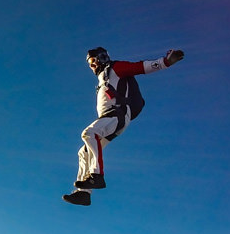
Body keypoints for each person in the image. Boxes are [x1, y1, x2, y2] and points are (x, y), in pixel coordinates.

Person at [63, 47, 185, 206]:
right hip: (111, 117)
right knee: (83, 152)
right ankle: (83, 194)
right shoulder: (103, 78)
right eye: (89, 64)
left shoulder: (114, 68)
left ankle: (96, 175)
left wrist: (165, 62)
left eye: (93, 61)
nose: (92, 66)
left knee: (89, 133)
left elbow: (139, 67)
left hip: (117, 114)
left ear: (102, 58)